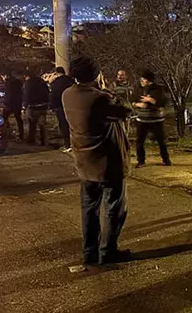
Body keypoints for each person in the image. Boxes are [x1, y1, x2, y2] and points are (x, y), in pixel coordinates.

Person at [62, 55, 132, 265]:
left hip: (84, 162)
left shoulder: (67, 95)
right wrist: (109, 91)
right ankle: (108, 251)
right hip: (107, 163)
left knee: (89, 209)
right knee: (114, 208)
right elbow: (126, 111)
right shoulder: (100, 98)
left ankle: (89, 252)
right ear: (95, 74)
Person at [131, 70, 171, 167]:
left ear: (148, 80)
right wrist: (137, 104)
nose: (141, 81)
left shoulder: (159, 90)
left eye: (143, 79)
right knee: (140, 141)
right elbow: (132, 100)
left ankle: (166, 160)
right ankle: (141, 161)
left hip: (156, 120)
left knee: (161, 141)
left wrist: (151, 100)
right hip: (142, 119)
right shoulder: (138, 89)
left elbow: (163, 103)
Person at [50, 67, 75, 152]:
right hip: (71, 105)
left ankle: (67, 144)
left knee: (63, 125)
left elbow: (53, 95)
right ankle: (73, 143)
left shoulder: (56, 83)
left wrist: (52, 106)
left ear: (56, 73)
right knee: (72, 125)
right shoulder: (71, 80)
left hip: (60, 106)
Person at [23, 71, 50, 145]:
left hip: (33, 106)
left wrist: (25, 106)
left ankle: (31, 139)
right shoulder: (42, 82)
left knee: (32, 124)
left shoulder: (29, 83)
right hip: (43, 106)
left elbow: (27, 95)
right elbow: (47, 92)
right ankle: (44, 140)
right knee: (43, 124)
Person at [3, 71, 24, 141]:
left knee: (4, 118)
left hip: (9, 104)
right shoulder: (18, 83)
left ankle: (7, 132)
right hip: (17, 104)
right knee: (19, 120)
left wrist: (6, 103)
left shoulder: (7, 84)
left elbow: (8, 95)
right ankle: (21, 134)